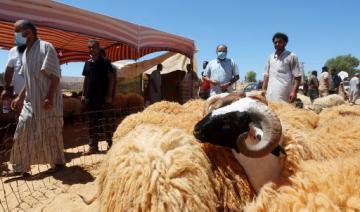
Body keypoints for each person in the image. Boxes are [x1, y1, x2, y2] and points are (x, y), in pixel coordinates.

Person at [5, 20, 65, 177]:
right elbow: (29, 79)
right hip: (30, 102)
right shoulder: (25, 53)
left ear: (28, 32)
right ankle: (20, 167)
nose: (16, 35)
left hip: (47, 101)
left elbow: (55, 76)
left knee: (50, 132)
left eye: (17, 32)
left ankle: (57, 162)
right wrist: (19, 97)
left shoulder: (46, 47)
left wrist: (50, 97)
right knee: (22, 130)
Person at [82, 40, 114, 153]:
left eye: (93, 47)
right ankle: (93, 146)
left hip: (103, 97)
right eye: (89, 47)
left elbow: (111, 79)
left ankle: (111, 144)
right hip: (90, 98)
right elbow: (86, 79)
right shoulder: (87, 63)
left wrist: (109, 95)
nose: (91, 50)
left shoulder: (105, 62)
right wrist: (83, 94)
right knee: (92, 123)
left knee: (106, 122)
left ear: (98, 48)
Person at [262, 32, 301, 103]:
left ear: (285, 43)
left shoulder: (291, 56)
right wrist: (264, 89)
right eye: (275, 42)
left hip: (284, 93)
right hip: (270, 93)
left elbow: (297, 77)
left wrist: (294, 92)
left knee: (284, 112)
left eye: (280, 42)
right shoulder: (270, 57)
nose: (277, 44)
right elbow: (266, 75)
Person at [1, 37, 27, 114]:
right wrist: (6, 88)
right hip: (18, 94)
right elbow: (9, 70)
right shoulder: (13, 51)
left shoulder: (36, 50)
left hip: (34, 95)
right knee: (20, 119)